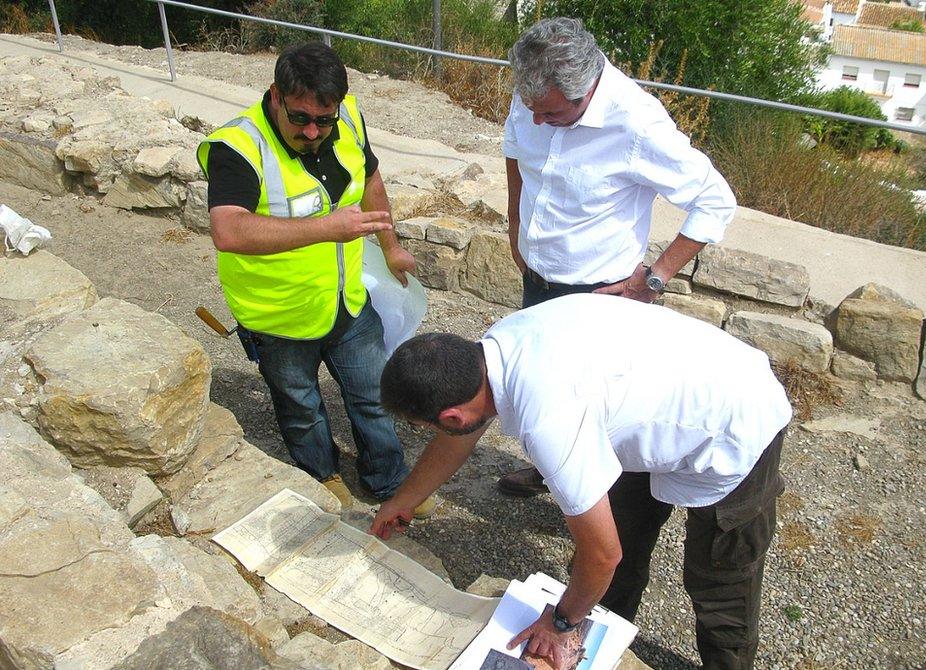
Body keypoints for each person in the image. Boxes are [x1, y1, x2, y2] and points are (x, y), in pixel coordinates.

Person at [370, 294, 792, 670]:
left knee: (720, 580)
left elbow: (602, 555)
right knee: (621, 534)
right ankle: (606, 635)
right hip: (660, 395)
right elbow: (456, 436)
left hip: (738, 420)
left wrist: (559, 622)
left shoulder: (548, 422)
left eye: (431, 425)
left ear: (450, 417)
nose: (439, 432)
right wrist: (404, 499)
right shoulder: (492, 351)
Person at [498, 17, 737, 496]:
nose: (536, 120)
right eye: (532, 109)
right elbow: (515, 150)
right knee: (544, 391)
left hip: (600, 293)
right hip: (537, 279)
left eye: (551, 114)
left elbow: (715, 200)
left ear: (585, 91)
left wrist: (653, 279)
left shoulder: (637, 123)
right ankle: (553, 472)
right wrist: (515, 227)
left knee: (599, 408)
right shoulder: (536, 90)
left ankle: (599, 513)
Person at [197, 41, 432, 517]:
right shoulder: (236, 147)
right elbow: (228, 229)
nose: (312, 131)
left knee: (373, 394)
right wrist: (326, 228)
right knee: (301, 407)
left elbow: (369, 179)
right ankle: (322, 476)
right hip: (279, 316)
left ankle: (388, 479)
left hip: (346, 300)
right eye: (300, 118)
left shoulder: (346, 116)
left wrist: (390, 247)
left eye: (323, 121)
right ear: (276, 96)